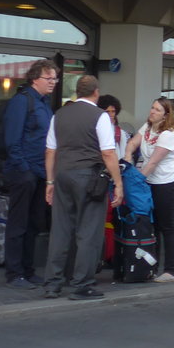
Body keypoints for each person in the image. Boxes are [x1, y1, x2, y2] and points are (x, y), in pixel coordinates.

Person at [41, 74, 123, 300]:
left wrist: (50, 181)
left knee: (60, 230)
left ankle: (53, 283)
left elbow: (50, 151)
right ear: (96, 92)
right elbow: (108, 153)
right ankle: (82, 284)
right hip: (89, 177)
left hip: (62, 174)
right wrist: (118, 183)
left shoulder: (59, 114)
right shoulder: (100, 116)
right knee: (89, 232)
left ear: (77, 92)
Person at [0, 59, 57, 289]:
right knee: (18, 224)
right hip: (24, 173)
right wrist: (24, 170)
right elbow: (12, 140)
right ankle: (14, 273)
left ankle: (28, 270)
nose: (53, 82)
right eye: (48, 78)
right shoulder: (22, 101)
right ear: (35, 79)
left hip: (40, 172)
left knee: (33, 224)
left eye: (55, 78)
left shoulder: (44, 103)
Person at [124, 97, 174, 283]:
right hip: (150, 180)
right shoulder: (147, 127)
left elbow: (153, 162)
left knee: (167, 225)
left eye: (157, 110)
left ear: (165, 115)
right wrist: (127, 157)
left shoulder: (168, 134)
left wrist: (135, 181)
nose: (152, 112)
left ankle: (170, 270)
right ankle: (151, 265)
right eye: (152, 108)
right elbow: (132, 143)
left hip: (168, 181)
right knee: (152, 224)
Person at [97, 94, 131, 159]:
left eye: (113, 111)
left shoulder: (119, 132)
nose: (111, 114)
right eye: (107, 112)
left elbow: (123, 154)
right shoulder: (96, 129)